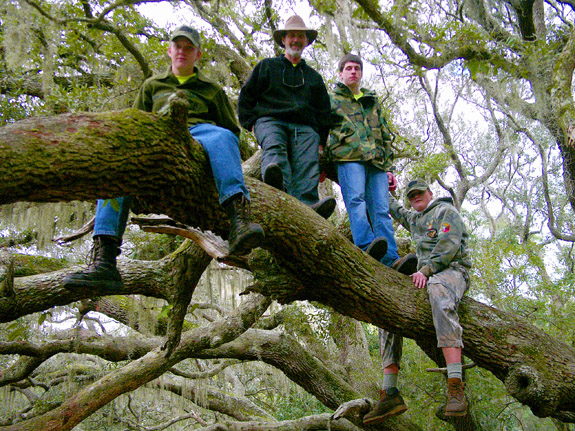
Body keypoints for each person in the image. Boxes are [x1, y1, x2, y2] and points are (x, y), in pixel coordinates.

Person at [63, 25, 264, 290]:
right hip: (158, 138)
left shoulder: (211, 89)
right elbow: (135, 126)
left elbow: (230, 130)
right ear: (169, 51)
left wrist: (213, 149)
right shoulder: (152, 86)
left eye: (188, 47)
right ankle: (104, 261)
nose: (182, 51)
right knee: (116, 168)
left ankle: (239, 220)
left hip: (201, 136)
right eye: (178, 46)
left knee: (223, 137)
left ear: (198, 54)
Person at [363, 179, 472, 425]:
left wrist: (426, 270)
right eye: (411, 196)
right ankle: (389, 392)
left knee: (438, 290)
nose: (415, 198)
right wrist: (382, 187)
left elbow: (449, 244)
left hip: (452, 272)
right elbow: (393, 208)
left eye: (419, 194)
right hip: (427, 277)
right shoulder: (414, 219)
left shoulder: (446, 211)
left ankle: (456, 386)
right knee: (389, 302)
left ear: (430, 193)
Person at [237, 15, 336, 219]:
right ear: (283, 40)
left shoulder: (313, 77)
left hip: (305, 126)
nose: (296, 40)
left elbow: (324, 111)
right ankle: (277, 185)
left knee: (308, 160)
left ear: (306, 41)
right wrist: (252, 124)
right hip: (270, 120)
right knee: (274, 145)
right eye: (292, 35)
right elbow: (246, 97)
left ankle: (308, 207)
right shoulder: (267, 66)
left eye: (301, 36)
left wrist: (321, 142)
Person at [327, 53, 416, 268]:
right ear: (341, 73)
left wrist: (390, 168)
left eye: (357, 68)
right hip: (348, 157)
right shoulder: (333, 100)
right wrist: (322, 164)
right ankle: (366, 244)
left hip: (376, 162)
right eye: (348, 68)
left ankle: (391, 258)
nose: (353, 72)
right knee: (356, 201)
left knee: (381, 209)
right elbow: (322, 130)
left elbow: (385, 135)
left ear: (362, 73)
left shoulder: (371, 101)